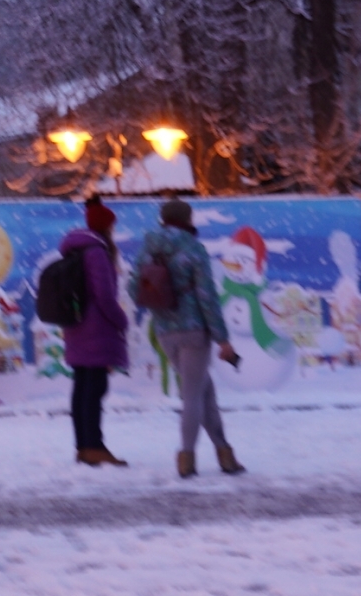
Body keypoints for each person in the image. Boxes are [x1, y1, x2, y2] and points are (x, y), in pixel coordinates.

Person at [134, 198, 242, 479]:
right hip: (194, 331)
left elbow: (134, 287)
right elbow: (207, 297)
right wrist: (223, 339)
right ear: (187, 220)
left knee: (204, 391)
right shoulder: (194, 249)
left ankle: (225, 453)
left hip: (165, 330)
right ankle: (187, 457)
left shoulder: (147, 248)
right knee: (193, 395)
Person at [58, 197, 129, 467]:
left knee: (82, 386)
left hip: (76, 327)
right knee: (95, 388)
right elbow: (104, 295)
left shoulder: (75, 250)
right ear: (106, 227)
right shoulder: (97, 252)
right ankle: (94, 445)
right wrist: (120, 320)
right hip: (96, 328)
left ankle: (83, 446)